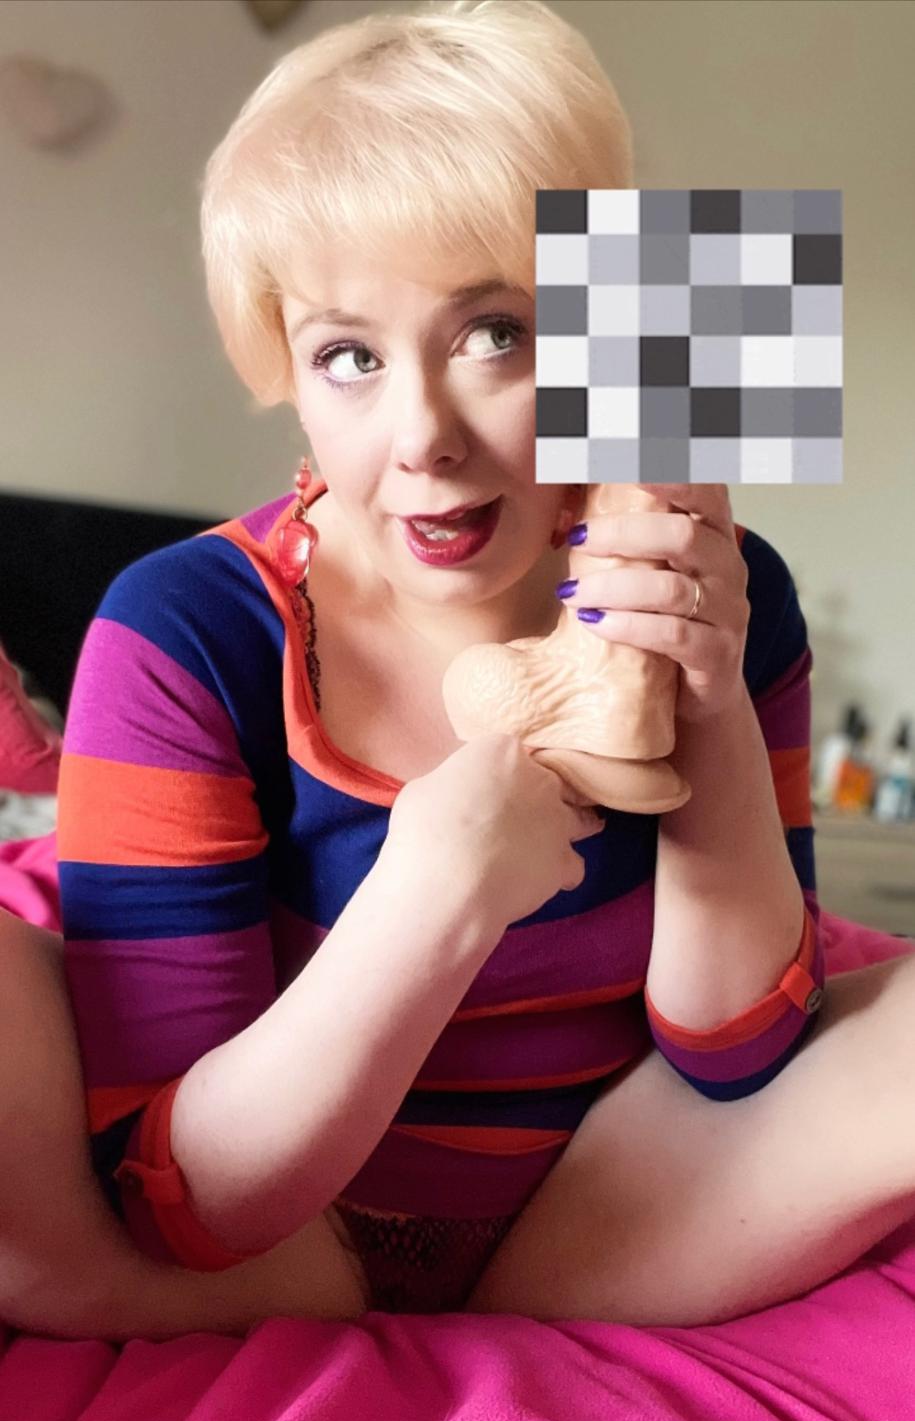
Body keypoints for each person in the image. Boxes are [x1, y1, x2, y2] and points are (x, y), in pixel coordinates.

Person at [3, 0, 915, 1341]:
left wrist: (707, 705)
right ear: (286, 367)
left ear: (611, 331)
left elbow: (739, 1058)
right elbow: (178, 1199)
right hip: (279, 1247)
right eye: (349, 356)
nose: (423, 434)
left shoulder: (727, 587)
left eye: (497, 333)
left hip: (609, 1208)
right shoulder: (181, 628)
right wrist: (431, 897)